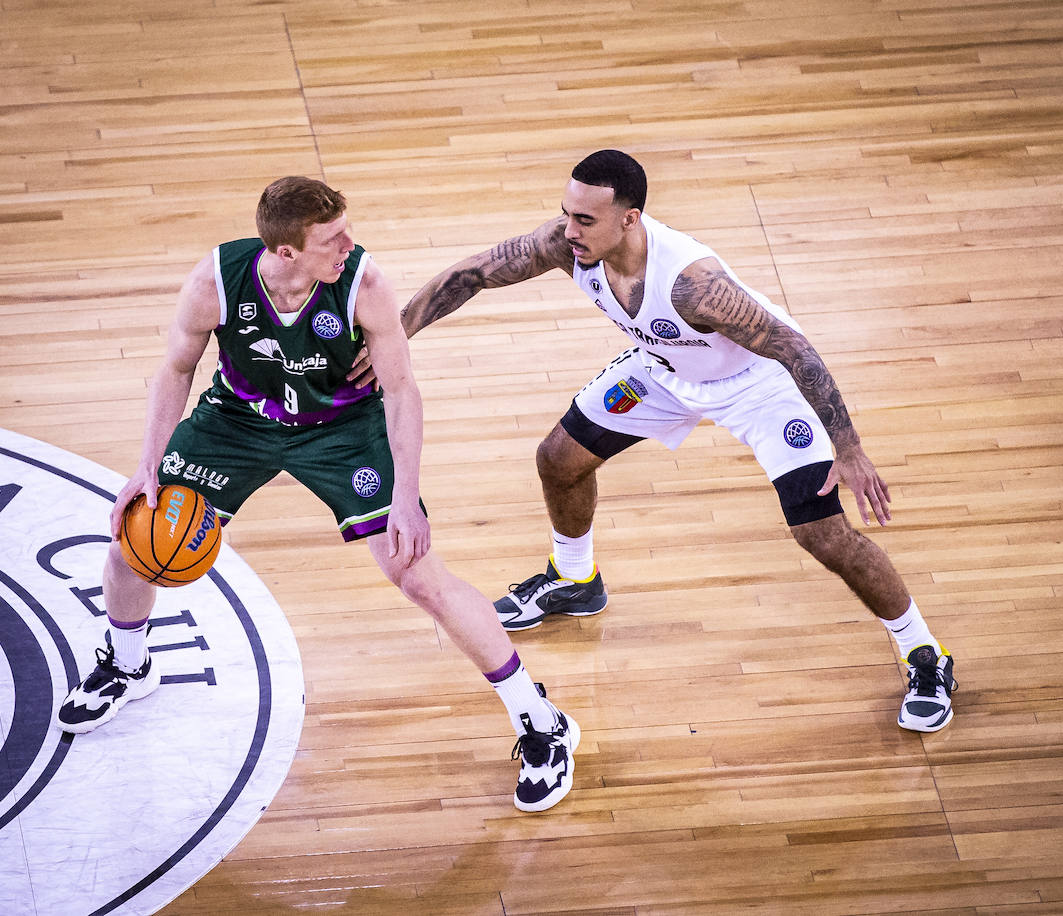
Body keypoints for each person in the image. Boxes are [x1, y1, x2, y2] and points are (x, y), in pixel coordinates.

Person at [55, 177, 579, 812]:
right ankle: (129, 663)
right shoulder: (215, 281)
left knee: (419, 578)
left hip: (344, 429)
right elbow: (176, 368)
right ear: (285, 254)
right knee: (133, 539)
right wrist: (147, 468)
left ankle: (542, 720)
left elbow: (403, 390)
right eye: (332, 239)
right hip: (238, 422)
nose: (349, 244)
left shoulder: (365, 283)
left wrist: (407, 496)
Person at [401, 150, 957, 732]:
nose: (570, 232)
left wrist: (849, 449)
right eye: (566, 215)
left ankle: (925, 654)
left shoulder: (694, 286)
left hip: (761, 387)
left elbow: (794, 349)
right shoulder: (566, 247)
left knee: (823, 535)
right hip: (665, 370)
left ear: (630, 219)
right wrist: (397, 333)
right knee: (559, 459)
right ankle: (574, 580)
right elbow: (472, 274)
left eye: (585, 221)